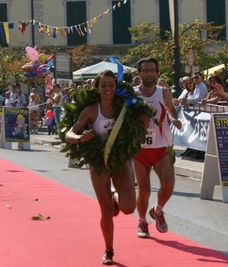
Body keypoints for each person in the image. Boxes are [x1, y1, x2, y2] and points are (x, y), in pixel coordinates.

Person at [65, 70, 140, 265]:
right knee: (106, 211)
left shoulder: (124, 107)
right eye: (103, 85)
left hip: (120, 161)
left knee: (129, 207)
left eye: (111, 85)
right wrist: (80, 138)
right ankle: (109, 250)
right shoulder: (91, 110)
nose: (107, 88)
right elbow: (69, 133)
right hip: (98, 162)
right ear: (97, 89)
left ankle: (114, 193)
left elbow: (141, 124)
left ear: (116, 87)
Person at [133, 57, 182, 238]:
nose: (149, 74)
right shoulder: (132, 93)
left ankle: (158, 211)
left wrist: (174, 119)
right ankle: (142, 221)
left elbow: (170, 109)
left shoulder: (163, 92)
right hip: (139, 149)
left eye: (152, 70)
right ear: (139, 73)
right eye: (145, 70)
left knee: (168, 183)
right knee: (144, 190)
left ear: (156, 72)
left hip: (161, 146)